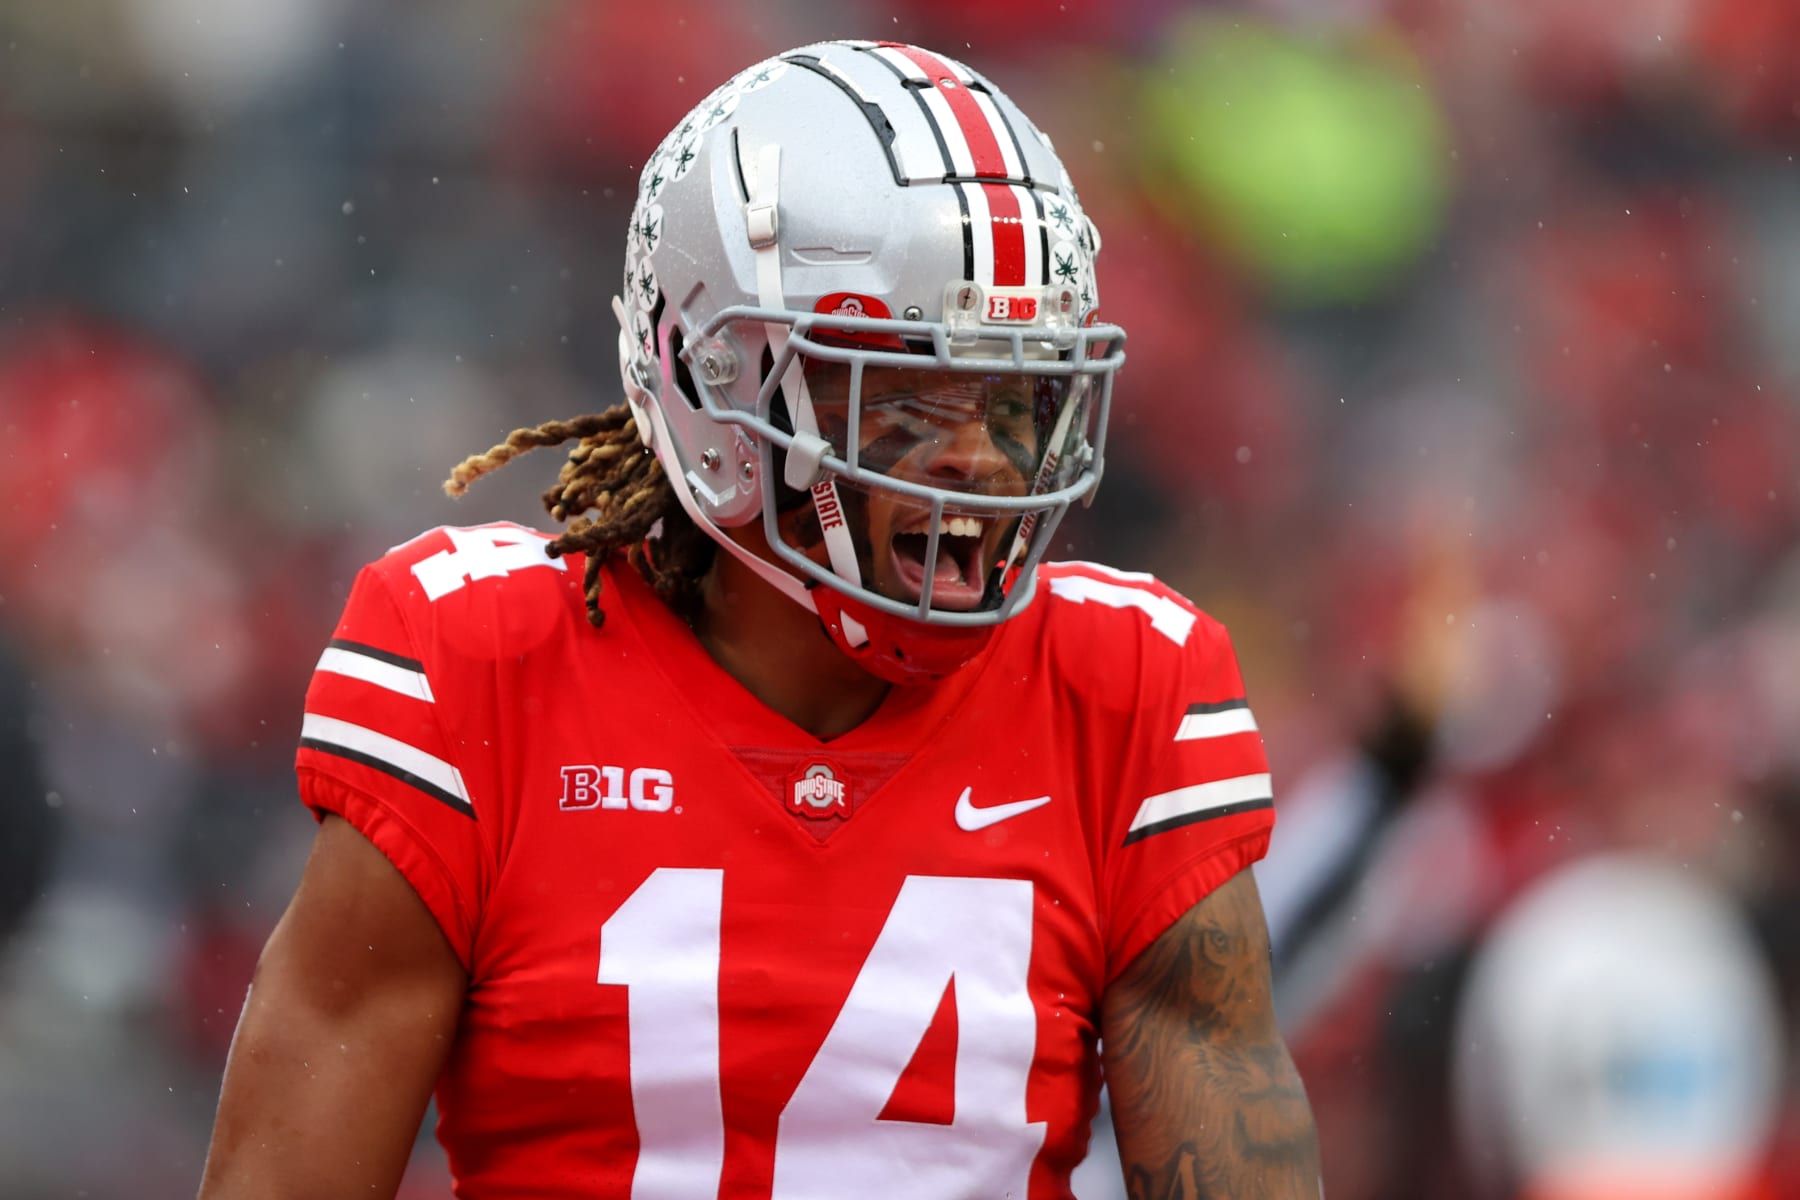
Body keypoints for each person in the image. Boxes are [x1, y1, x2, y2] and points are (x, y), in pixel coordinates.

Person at [197, 39, 1321, 1200]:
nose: (981, 458)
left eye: (1014, 396)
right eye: (906, 394)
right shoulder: (481, 664)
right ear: (714, 376)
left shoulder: (1123, 685)